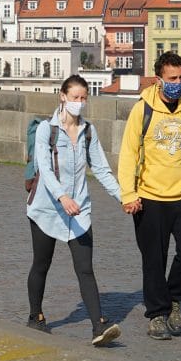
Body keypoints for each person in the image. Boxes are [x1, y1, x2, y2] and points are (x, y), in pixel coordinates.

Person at [117, 51, 181, 340]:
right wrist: (128, 194)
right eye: (173, 78)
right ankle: (157, 315)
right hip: (149, 197)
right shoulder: (142, 109)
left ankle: (175, 297)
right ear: (159, 80)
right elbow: (128, 153)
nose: (178, 83)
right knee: (153, 259)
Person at [26, 75, 127, 347]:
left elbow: (102, 169)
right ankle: (35, 316)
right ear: (62, 96)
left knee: (85, 268)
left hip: (79, 210)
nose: (79, 103)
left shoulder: (88, 131)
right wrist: (62, 196)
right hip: (47, 209)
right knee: (41, 265)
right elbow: (44, 169)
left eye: (84, 98)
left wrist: (123, 197)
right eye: (75, 98)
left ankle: (98, 326)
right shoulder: (48, 129)